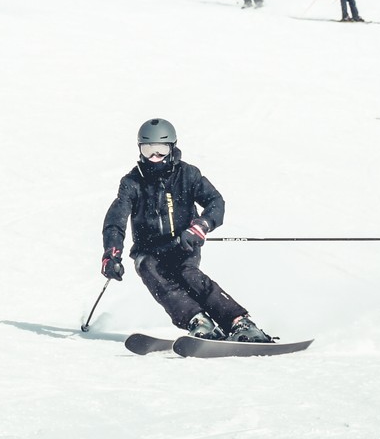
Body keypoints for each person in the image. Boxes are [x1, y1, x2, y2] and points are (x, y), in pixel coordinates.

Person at [100, 118, 272, 343]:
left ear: (172, 148)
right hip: (149, 250)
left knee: (188, 275)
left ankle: (239, 322)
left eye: (161, 150)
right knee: (148, 268)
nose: (154, 157)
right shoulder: (132, 182)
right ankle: (198, 321)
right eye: (148, 150)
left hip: (183, 244)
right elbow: (116, 220)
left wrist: (200, 227)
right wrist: (111, 253)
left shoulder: (187, 175)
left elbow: (215, 202)